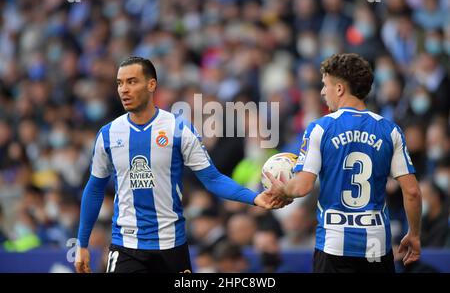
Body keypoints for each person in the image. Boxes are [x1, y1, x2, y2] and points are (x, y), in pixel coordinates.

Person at [75, 56, 289, 273]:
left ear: (151, 85)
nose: (124, 90)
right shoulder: (108, 134)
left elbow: (212, 179)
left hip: (171, 246)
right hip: (127, 246)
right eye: (120, 83)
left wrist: (253, 197)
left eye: (132, 81)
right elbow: (94, 188)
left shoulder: (178, 129)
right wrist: (82, 243)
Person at [265, 53, 422, 273]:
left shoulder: (320, 128)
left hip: (333, 246)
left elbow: (301, 187)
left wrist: (282, 189)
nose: (322, 92)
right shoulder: (390, 130)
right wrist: (414, 234)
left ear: (339, 89)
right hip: (377, 246)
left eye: (324, 85)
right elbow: (413, 192)